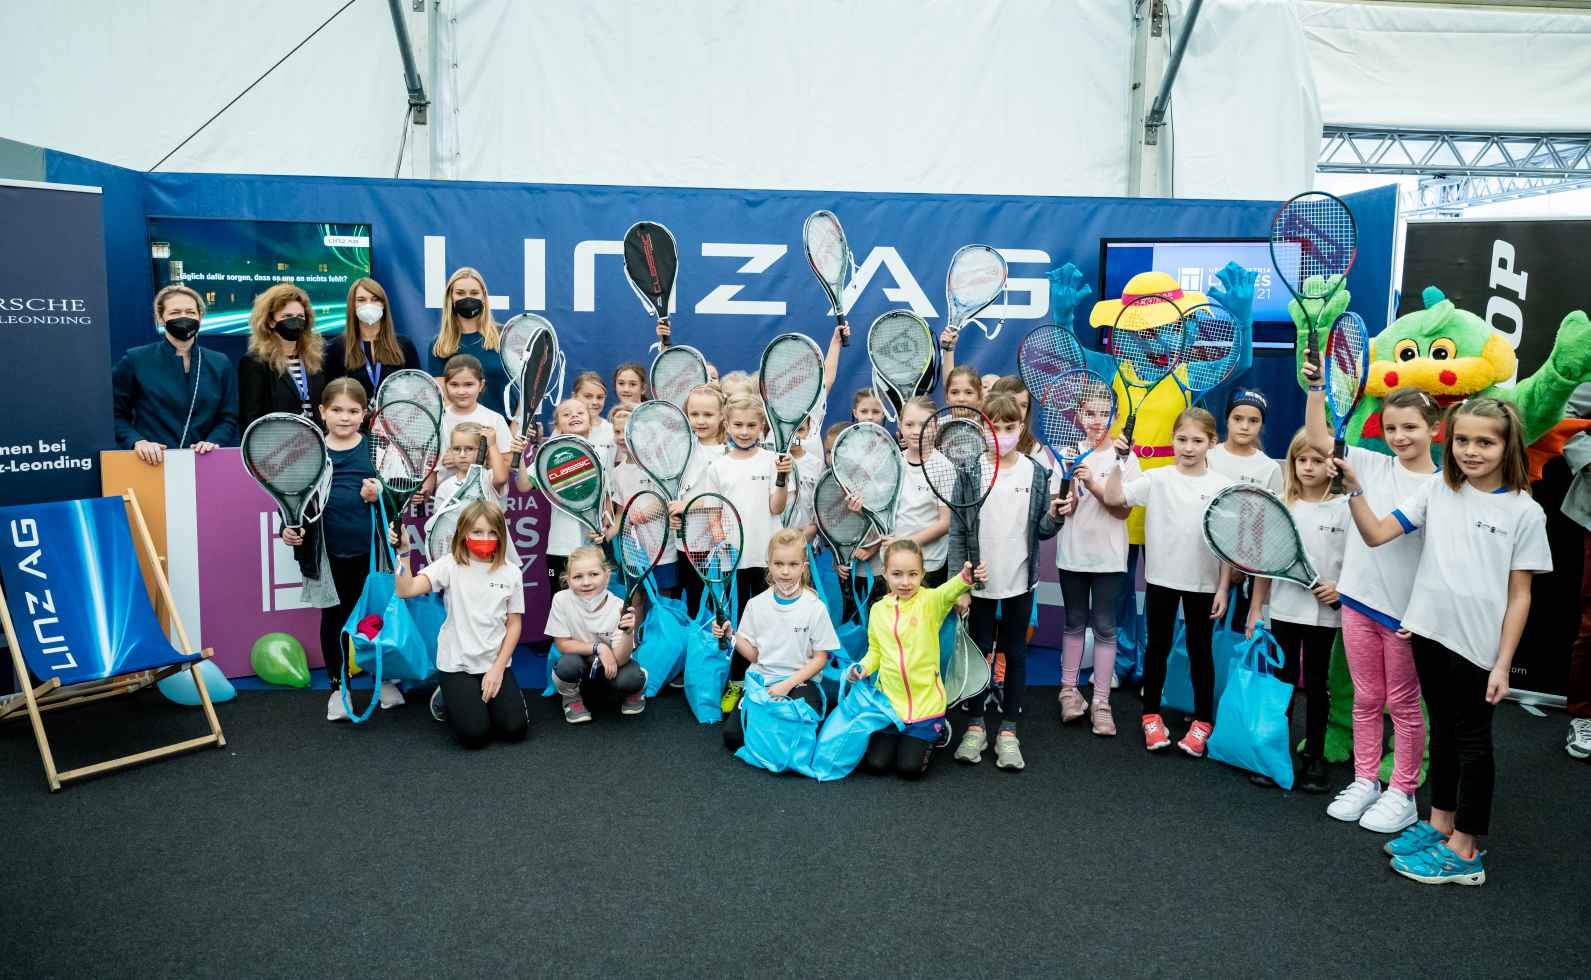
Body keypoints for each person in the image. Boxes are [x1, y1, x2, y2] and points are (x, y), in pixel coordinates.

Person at [1336, 398, 1550, 886]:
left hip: (1476, 649)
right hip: (1427, 636)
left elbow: (1521, 596)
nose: (1471, 451)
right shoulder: (1438, 488)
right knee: (1447, 737)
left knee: (1474, 743)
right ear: (1448, 441)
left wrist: (1502, 664)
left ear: (1506, 446)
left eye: (1485, 442)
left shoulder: (1525, 511)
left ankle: (1467, 851)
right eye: (1462, 440)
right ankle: (1440, 824)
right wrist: (1353, 491)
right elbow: (1376, 534)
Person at [1304, 370, 1441, 833]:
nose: (1399, 436)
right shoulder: (1373, 462)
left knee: (1402, 705)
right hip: (1358, 603)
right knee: (1366, 699)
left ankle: (1402, 791)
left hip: (1403, 616)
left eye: (1410, 427)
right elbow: (1321, 439)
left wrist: (1354, 491)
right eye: (1391, 428)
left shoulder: (1438, 487)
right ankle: (1366, 781)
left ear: (1433, 429)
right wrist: (1317, 391)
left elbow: (1381, 536)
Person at [1099, 407, 1233, 756]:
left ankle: (1203, 721)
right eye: (1182, 439)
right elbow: (1114, 498)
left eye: (1197, 440)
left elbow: (1225, 546)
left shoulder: (1222, 487)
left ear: (1212, 443)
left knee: (1200, 652)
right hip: (1161, 581)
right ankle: (1151, 715)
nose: (1188, 447)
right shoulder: (1157, 479)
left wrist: (1222, 587)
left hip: (1204, 586)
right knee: (1156, 648)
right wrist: (1118, 462)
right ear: (1172, 440)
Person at [950, 393, 1063, 772]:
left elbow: (1043, 531)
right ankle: (977, 726)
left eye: (1009, 427)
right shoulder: (969, 472)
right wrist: (960, 584)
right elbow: (957, 531)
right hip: (978, 585)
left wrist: (1056, 516)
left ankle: (1009, 730)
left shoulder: (1036, 472)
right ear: (983, 429)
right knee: (980, 652)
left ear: (1021, 428)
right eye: (993, 427)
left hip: (1019, 582)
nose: (1001, 434)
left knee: (1014, 654)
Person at [280, 379, 399, 721]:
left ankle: (385, 680)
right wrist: (286, 529)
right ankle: (338, 689)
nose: (344, 418)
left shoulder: (378, 446)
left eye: (353, 411)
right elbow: (289, 499)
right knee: (334, 618)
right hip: (327, 554)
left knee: (375, 616)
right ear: (321, 412)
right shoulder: (308, 448)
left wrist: (382, 495)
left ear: (365, 414)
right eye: (336, 410)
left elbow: (398, 496)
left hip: (371, 551)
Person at [1243, 430, 1349, 792]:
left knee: (1317, 685)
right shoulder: (1282, 504)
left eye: (1316, 461)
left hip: (1325, 615)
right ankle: (1277, 756)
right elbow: (1265, 565)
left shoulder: (1347, 508)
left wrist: (1340, 589)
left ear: (1331, 465)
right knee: (1283, 683)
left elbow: (1357, 564)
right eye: (1301, 460)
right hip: (1285, 611)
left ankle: (1315, 757)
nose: (1308, 467)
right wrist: (1256, 607)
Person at [686, 392, 791, 712]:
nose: (744, 431)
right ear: (727, 425)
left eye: (751, 425)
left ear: (762, 426)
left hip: (768, 562)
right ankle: (737, 682)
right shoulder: (719, 467)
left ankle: (769, 684)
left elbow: (777, 506)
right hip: (736, 561)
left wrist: (783, 477)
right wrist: (722, 542)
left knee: (771, 623)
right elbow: (715, 514)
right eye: (737, 425)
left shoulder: (773, 462)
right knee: (741, 625)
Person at [394, 499, 527, 748]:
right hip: (457, 664)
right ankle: (448, 695)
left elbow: (514, 624)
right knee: (475, 735)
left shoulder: (511, 572)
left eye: (492, 532)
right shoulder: (449, 565)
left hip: (494, 663)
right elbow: (406, 590)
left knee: (515, 729)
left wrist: (498, 669)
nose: (485, 537)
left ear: (501, 536)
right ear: (464, 532)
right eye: (477, 531)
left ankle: (484, 696)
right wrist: (403, 554)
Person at [850, 543, 983, 779]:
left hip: (926, 706)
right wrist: (862, 668)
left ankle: (937, 729)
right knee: (876, 765)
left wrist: (965, 577)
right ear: (885, 574)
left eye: (913, 574)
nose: (905, 582)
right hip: (890, 707)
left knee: (908, 769)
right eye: (897, 574)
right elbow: (875, 652)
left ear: (922, 574)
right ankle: (904, 737)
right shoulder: (878, 610)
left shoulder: (930, 602)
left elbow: (948, 591)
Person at [1059, 377, 1139, 737]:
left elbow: (1122, 512)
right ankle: (1068, 692)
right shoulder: (1067, 452)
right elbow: (1062, 510)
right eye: (1090, 413)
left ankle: (1102, 702)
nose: (1096, 420)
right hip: (1072, 556)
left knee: (1105, 627)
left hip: (1108, 559)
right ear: (1078, 415)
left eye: (1104, 414)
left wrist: (1092, 484)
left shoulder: (1125, 459)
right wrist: (1067, 498)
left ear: (1115, 418)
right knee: (1074, 622)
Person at [717, 529, 839, 750]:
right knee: (733, 737)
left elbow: (820, 659)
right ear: (769, 565)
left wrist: (786, 686)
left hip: (800, 681)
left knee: (796, 728)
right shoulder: (756, 604)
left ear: (804, 567)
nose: (785, 571)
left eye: (793, 565)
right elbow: (755, 655)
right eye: (779, 564)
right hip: (763, 681)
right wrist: (731, 635)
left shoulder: (815, 607)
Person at [112, 283, 237, 464]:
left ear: (201, 316)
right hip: (151, 463)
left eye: (190, 312)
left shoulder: (220, 363)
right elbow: (115, 415)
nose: (184, 317)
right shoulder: (136, 359)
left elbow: (228, 417)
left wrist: (213, 442)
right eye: (175, 312)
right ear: (160, 318)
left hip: (204, 463)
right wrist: (137, 442)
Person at [546, 545, 645, 723]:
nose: (586, 582)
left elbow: (620, 660)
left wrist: (628, 633)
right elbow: (562, 644)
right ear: (567, 579)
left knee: (630, 679)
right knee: (566, 666)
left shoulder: (618, 607)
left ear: (607, 576)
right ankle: (572, 698)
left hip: (612, 664)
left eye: (594, 574)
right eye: (577, 576)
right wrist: (598, 647)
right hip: (580, 659)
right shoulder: (560, 600)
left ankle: (637, 687)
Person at [518, 397, 609, 589]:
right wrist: (519, 455)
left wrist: (603, 529)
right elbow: (524, 486)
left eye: (580, 412)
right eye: (566, 414)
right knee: (560, 602)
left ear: (591, 421)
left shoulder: (602, 455)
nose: (574, 415)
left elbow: (607, 502)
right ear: (558, 425)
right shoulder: (550, 456)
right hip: (559, 549)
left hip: (593, 550)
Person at [237, 282, 326, 431]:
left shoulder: (316, 358)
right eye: (287, 316)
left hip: (317, 443)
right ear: (270, 321)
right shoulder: (255, 362)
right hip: (278, 446)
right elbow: (250, 418)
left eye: (300, 316)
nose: (295, 321)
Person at [324, 277, 421, 402]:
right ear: (352, 305)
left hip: (394, 418)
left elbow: (417, 390)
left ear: (383, 304)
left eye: (375, 299)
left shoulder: (404, 345)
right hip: (352, 420)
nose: (368, 305)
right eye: (361, 300)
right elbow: (329, 396)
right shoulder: (335, 347)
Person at [428, 266, 510, 406]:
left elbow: (526, 387)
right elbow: (445, 401)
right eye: (460, 293)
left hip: (507, 426)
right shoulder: (439, 345)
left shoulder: (505, 336)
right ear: (450, 298)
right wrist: (465, 427)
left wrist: (514, 426)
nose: (468, 298)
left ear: (483, 297)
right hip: (462, 427)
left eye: (474, 293)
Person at [436, 355, 512, 489]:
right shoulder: (437, 420)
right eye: (454, 384)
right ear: (445, 385)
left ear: (481, 385)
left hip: (487, 502)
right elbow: (430, 465)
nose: (461, 391)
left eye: (468, 384)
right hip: (446, 499)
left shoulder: (494, 419)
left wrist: (467, 459)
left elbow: (508, 465)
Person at [1207, 388, 1284, 492]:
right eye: (1237, 419)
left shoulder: (1271, 468)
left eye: (1253, 420)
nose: (1244, 426)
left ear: (1261, 425)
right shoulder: (1207, 457)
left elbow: (1274, 507)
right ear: (1227, 420)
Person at [572, 370, 616, 462]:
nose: (595, 402)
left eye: (599, 397)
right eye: (588, 396)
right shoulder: (563, 429)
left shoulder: (612, 431)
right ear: (574, 396)